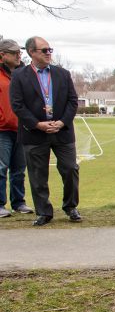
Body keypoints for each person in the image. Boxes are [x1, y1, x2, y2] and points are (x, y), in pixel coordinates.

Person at [10, 36, 81, 226]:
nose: (49, 53)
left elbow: (72, 101)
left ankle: (71, 206)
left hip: (62, 131)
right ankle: (44, 212)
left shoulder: (63, 74)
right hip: (34, 133)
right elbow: (17, 105)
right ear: (32, 52)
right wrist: (37, 124)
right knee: (37, 175)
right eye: (44, 50)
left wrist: (62, 122)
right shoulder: (19, 76)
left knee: (70, 169)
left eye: (50, 50)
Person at [0, 39, 33, 218]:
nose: (18, 55)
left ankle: (19, 202)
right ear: (2, 55)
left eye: (19, 53)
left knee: (19, 169)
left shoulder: (22, 74)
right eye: (13, 53)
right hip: (2, 129)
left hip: (20, 128)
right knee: (1, 168)